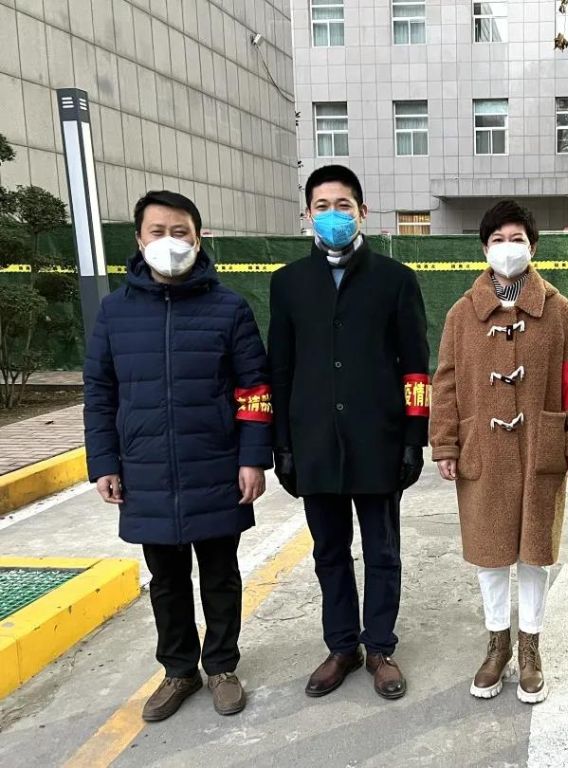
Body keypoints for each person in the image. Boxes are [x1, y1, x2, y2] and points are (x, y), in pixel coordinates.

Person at [84, 190, 272, 722]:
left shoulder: (229, 308)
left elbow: (254, 389)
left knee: (220, 574)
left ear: (198, 237)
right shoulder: (115, 312)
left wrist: (252, 458)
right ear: (138, 239)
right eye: (158, 231)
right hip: (144, 469)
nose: (170, 242)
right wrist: (104, 462)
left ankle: (222, 666)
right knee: (165, 580)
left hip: (214, 463)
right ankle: (178, 670)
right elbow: (99, 391)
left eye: (180, 232)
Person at [268, 165, 430, 701]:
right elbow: (280, 369)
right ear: (307, 215)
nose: (333, 215)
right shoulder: (289, 283)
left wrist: (414, 438)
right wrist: (282, 445)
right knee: (329, 552)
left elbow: (416, 368)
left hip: (378, 441)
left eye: (343, 205)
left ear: (363, 212)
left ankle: (379, 646)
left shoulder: (395, 280)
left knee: (382, 551)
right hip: (314, 443)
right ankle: (342, 646)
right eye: (322, 206)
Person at [430, 200, 568, 704]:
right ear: (484, 249)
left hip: (540, 446)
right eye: (498, 240)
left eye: (517, 239)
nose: (509, 248)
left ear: (533, 246)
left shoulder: (560, 311)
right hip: (481, 448)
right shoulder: (462, 314)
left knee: (533, 554)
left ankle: (530, 648)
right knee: (489, 555)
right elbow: (445, 383)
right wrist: (445, 442)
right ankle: (496, 645)